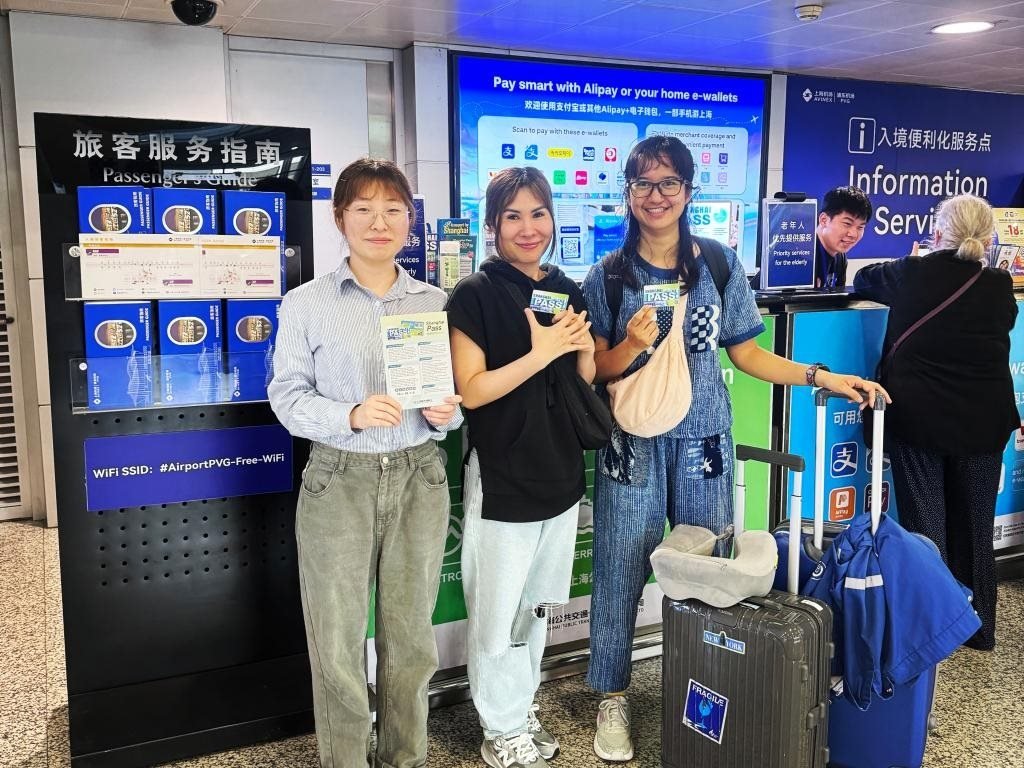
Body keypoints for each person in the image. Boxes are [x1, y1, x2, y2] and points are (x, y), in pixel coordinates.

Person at [581, 135, 889, 761]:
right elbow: (596, 370)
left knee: (710, 570)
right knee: (618, 571)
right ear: (628, 193)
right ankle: (612, 696)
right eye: (643, 184)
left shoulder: (719, 264)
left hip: (706, 444)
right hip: (631, 444)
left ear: (689, 191)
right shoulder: (607, 275)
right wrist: (633, 346)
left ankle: (707, 680)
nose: (656, 196)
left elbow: (747, 353)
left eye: (669, 183)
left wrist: (821, 376)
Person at [268, 158, 463, 768]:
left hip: (419, 475)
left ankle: (404, 757)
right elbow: (286, 396)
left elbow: (449, 403)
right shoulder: (306, 303)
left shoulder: (434, 301)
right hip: (339, 479)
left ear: (410, 220)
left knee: (411, 639)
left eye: (393, 211)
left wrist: (446, 412)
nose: (380, 223)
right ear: (340, 218)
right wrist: (349, 414)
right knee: (336, 640)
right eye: (364, 210)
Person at [446, 167, 595, 768]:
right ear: (492, 225)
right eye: (513, 216)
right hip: (504, 475)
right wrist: (541, 352)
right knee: (497, 610)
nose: (528, 228)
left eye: (538, 214)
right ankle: (499, 726)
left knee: (536, 606)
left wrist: (582, 349)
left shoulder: (565, 288)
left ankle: (520, 706)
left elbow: (580, 381)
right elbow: (472, 390)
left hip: (561, 472)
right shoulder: (475, 294)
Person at [854, 193, 1017, 652]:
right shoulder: (998, 284)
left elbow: (863, 279)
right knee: (976, 527)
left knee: (927, 528)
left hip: (919, 420)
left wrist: (917, 258)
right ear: (988, 238)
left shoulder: (911, 272)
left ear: (937, 231)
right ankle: (979, 629)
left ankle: (934, 633)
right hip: (983, 422)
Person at [814, 185, 873, 291]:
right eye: (847, 223)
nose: (853, 234)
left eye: (860, 227)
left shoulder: (840, 257)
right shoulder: (802, 256)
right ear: (824, 220)